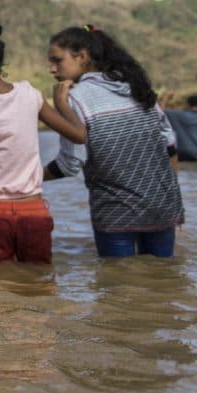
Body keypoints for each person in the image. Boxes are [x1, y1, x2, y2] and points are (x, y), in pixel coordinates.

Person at [0, 20, 84, 264]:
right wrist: (62, 104)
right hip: (34, 211)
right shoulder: (29, 94)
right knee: (39, 280)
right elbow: (80, 135)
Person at [44, 25, 184, 257]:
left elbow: (69, 164)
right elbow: (170, 148)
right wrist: (173, 202)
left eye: (57, 60)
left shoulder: (75, 100)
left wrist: (28, 177)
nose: (52, 69)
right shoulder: (136, 88)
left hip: (116, 213)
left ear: (82, 57)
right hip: (163, 208)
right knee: (163, 275)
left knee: (116, 278)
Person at [161, 93, 197, 162]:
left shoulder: (181, 116)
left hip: (188, 154)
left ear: (188, 105)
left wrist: (166, 97)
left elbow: (161, 113)